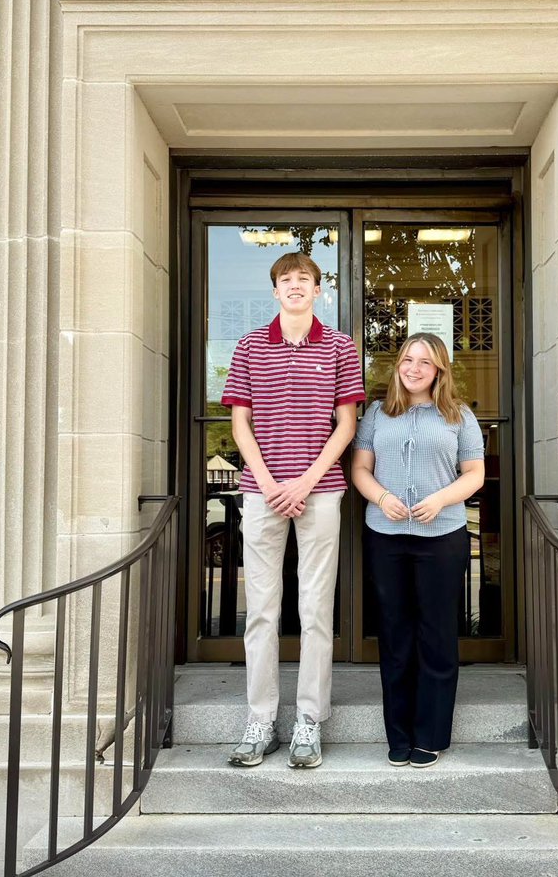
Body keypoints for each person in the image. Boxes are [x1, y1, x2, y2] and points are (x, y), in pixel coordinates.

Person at [222, 252, 365, 769]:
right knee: (260, 610)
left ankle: (309, 719)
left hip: (321, 490)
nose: (296, 286)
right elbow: (242, 424)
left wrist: (303, 482)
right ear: (275, 291)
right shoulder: (249, 346)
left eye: (304, 279)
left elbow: (345, 426)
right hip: (261, 492)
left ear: (318, 289)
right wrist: (268, 483)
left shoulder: (341, 347)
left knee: (315, 609)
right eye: (286, 280)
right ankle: (260, 719)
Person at [352, 332, 485, 769]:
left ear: (439, 370)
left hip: (442, 537)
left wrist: (442, 499)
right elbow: (361, 469)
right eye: (407, 360)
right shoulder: (377, 413)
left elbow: (474, 475)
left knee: (437, 634)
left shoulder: (459, 416)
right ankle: (400, 734)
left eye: (424, 363)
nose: (413, 368)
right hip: (387, 538)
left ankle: (430, 735)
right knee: (395, 635)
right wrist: (380, 498)